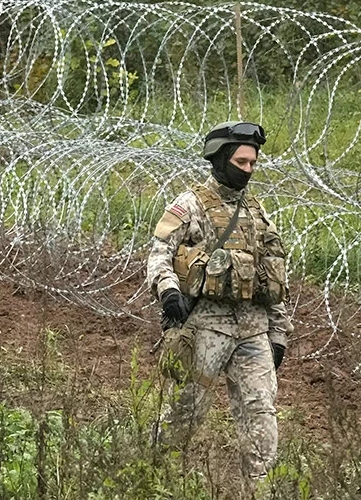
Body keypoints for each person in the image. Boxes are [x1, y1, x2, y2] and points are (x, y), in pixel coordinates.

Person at [146, 121, 294, 484]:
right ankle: (158, 480)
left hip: (252, 332)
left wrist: (278, 334)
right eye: (241, 162)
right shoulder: (190, 205)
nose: (248, 170)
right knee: (184, 411)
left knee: (261, 413)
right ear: (221, 159)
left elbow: (272, 277)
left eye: (252, 164)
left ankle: (260, 487)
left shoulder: (258, 213)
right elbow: (159, 254)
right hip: (205, 329)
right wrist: (168, 291)